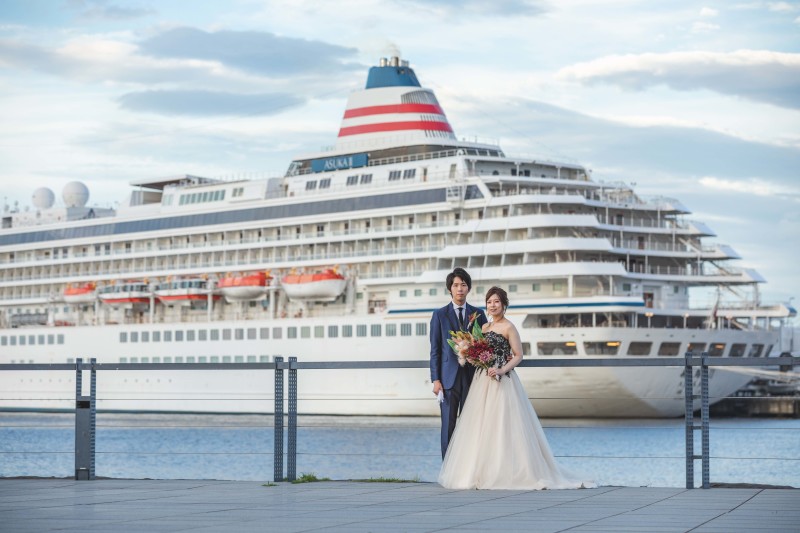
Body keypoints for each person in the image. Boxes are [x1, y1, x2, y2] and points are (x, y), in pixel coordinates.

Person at [438, 286, 594, 490]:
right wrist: (472, 355)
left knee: (504, 425)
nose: (492, 306)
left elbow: (519, 355)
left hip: (503, 381)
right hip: (482, 381)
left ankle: (506, 471)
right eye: (489, 302)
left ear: (504, 305)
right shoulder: (483, 328)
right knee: (481, 427)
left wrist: (502, 369)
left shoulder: (509, 327)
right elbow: (479, 351)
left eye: (496, 302)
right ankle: (480, 471)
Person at [430, 267, 488, 459]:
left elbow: (485, 345)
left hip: (473, 378)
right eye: (455, 285)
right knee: (448, 425)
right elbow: (435, 350)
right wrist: (436, 379)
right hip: (447, 380)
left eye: (463, 285)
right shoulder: (439, 315)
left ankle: (469, 468)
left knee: (472, 425)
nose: (459, 289)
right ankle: (448, 469)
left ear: (468, 288)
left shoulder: (478, 314)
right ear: (450, 289)